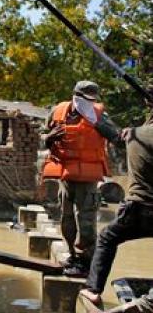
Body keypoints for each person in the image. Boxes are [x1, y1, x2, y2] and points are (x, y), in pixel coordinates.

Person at [79, 86, 153, 312]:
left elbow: (109, 131)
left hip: (137, 207)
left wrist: (89, 112)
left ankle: (93, 290)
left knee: (107, 238)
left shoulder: (134, 135)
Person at [42, 81, 120, 277]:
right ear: (75, 96)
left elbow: (117, 137)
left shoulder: (99, 115)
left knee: (86, 221)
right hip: (66, 175)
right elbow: (43, 134)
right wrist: (48, 137)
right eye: (84, 99)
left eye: (92, 100)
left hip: (88, 177)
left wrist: (96, 122)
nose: (87, 103)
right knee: (66, 219)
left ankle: (86, 262)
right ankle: (72, 255)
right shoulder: (59, 111)